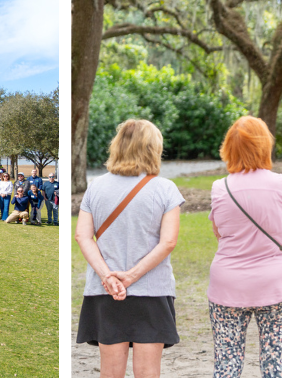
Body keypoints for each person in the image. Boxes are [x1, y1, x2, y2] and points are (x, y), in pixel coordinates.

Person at [75, 119, 182, 378]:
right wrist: (131, 276)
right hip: (151, 291)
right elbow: (168, 242)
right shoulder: (165, 188)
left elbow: (82, 236)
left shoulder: (96, 186)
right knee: (147, 373)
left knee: (110, 372)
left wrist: (108, 276)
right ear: (153, 148)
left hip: (105, 291)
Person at [206, 117, 282, 378]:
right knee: (275, 362)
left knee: (226, 364)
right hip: (276, 285)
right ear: (264, 146)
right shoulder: (281, 183)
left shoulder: (219, 187)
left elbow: (220, 233)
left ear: (229, 148)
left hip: (228, 285)